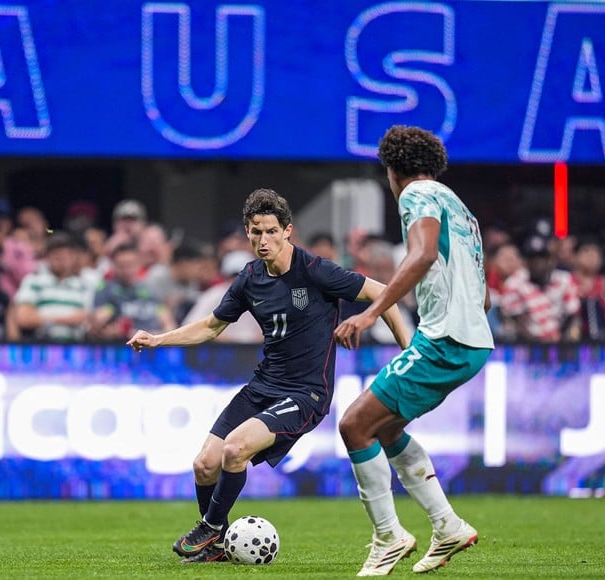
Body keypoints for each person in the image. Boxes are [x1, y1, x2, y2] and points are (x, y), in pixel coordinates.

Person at [126, 188, 410, 564]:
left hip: (306, 393)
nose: (264, 240)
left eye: (272, 231)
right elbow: (211, 326)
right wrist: (159, 339)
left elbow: (384, 294)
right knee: (204, 464)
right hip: (263, 386)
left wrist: (409, 351)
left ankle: (211, 528)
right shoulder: (250, 278)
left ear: (287, 231)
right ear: (248, 232)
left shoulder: (315, 271)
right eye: (256, 232)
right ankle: (216, 545)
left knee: (235, 449)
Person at [333, 125, 494, 576]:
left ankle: (389, 537)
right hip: (470, 338)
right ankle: (447, 526)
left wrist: (371, 313)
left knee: (354, 425)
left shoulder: (416, 194)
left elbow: (421, 255)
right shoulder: (459, 207)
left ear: (392, 168)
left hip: (446, 339)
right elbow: (483, 298)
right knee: (385, 429)